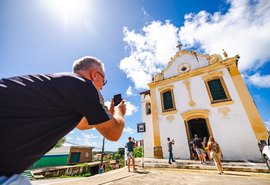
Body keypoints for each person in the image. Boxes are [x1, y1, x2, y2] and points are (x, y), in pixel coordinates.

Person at [0, 56, 126, 184]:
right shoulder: (85, 86)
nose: (102, 87)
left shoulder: (67, 84)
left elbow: (82, 124)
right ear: (95, 74)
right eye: (103, 81)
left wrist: (107, 115)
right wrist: (119, 112)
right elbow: (113, 133)